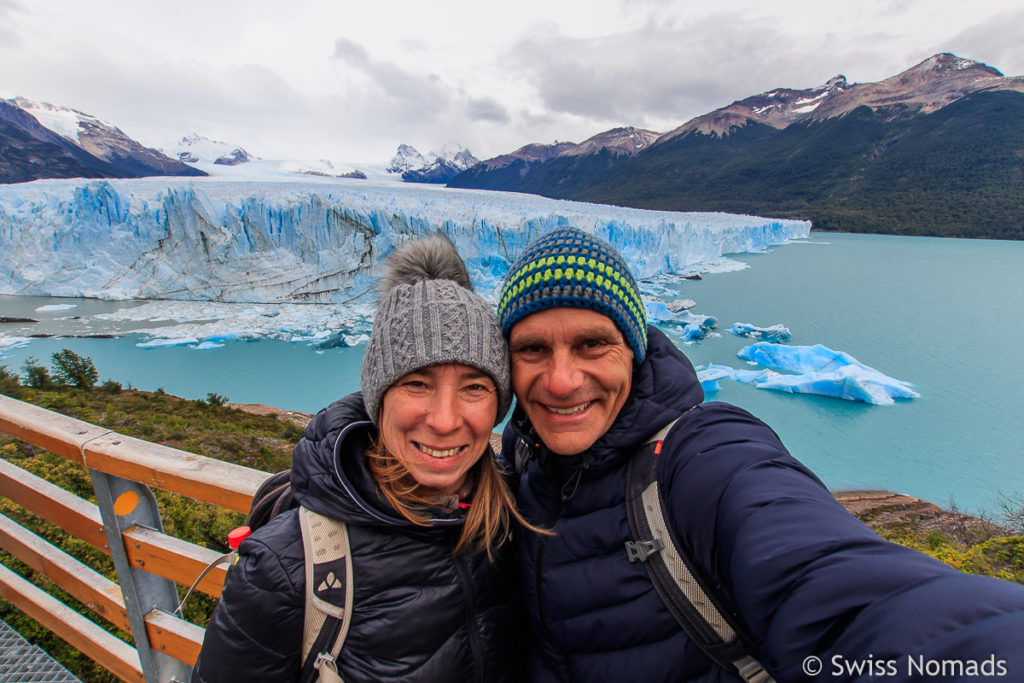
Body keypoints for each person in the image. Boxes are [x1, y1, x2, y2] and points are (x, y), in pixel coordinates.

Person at [497, 226, 1024, 682]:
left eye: (592, 344)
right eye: (533, 349)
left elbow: (846, 594)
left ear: (634, 353)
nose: (561, 381)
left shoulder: (703, 456)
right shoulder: (523, 458)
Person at [193, 235, 531, 682]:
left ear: (498, 404)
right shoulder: (286, 568)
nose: (446, 420)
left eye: (474, 387)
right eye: (416, 384)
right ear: (378, 399)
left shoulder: (517, 513)